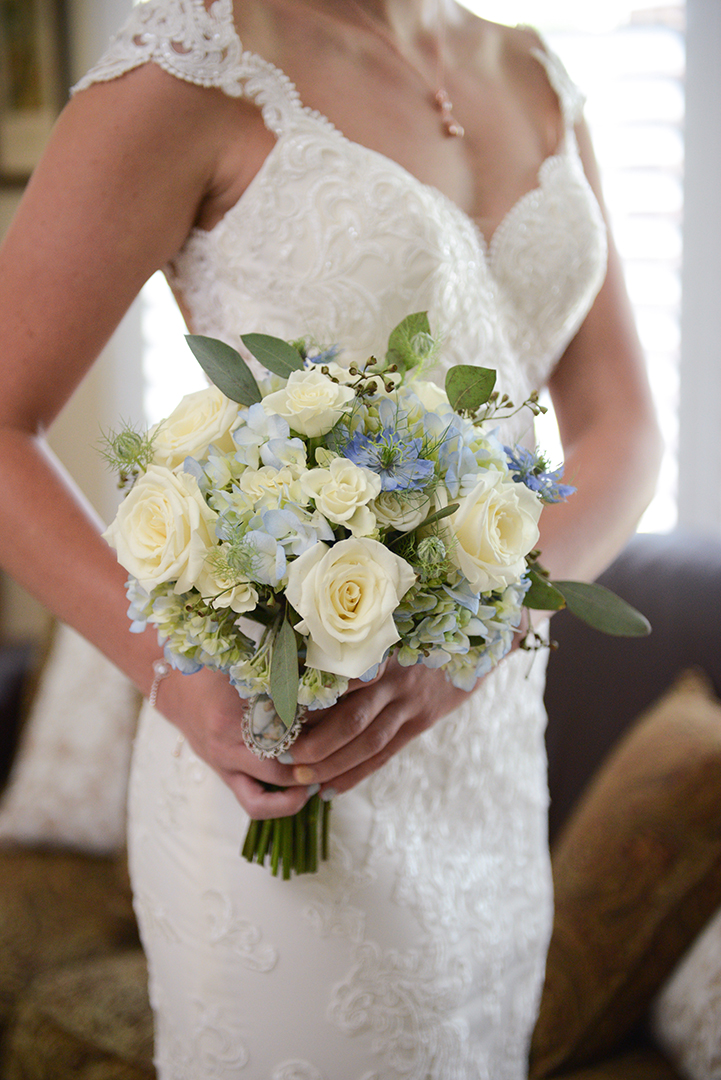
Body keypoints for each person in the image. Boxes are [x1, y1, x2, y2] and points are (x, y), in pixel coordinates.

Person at [0, 0, 661, 1075]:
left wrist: (488, 627)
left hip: (486, 762)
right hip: (286, 765)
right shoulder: (195, 65)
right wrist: (169, 675)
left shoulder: (536, 74)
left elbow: (623, 424)